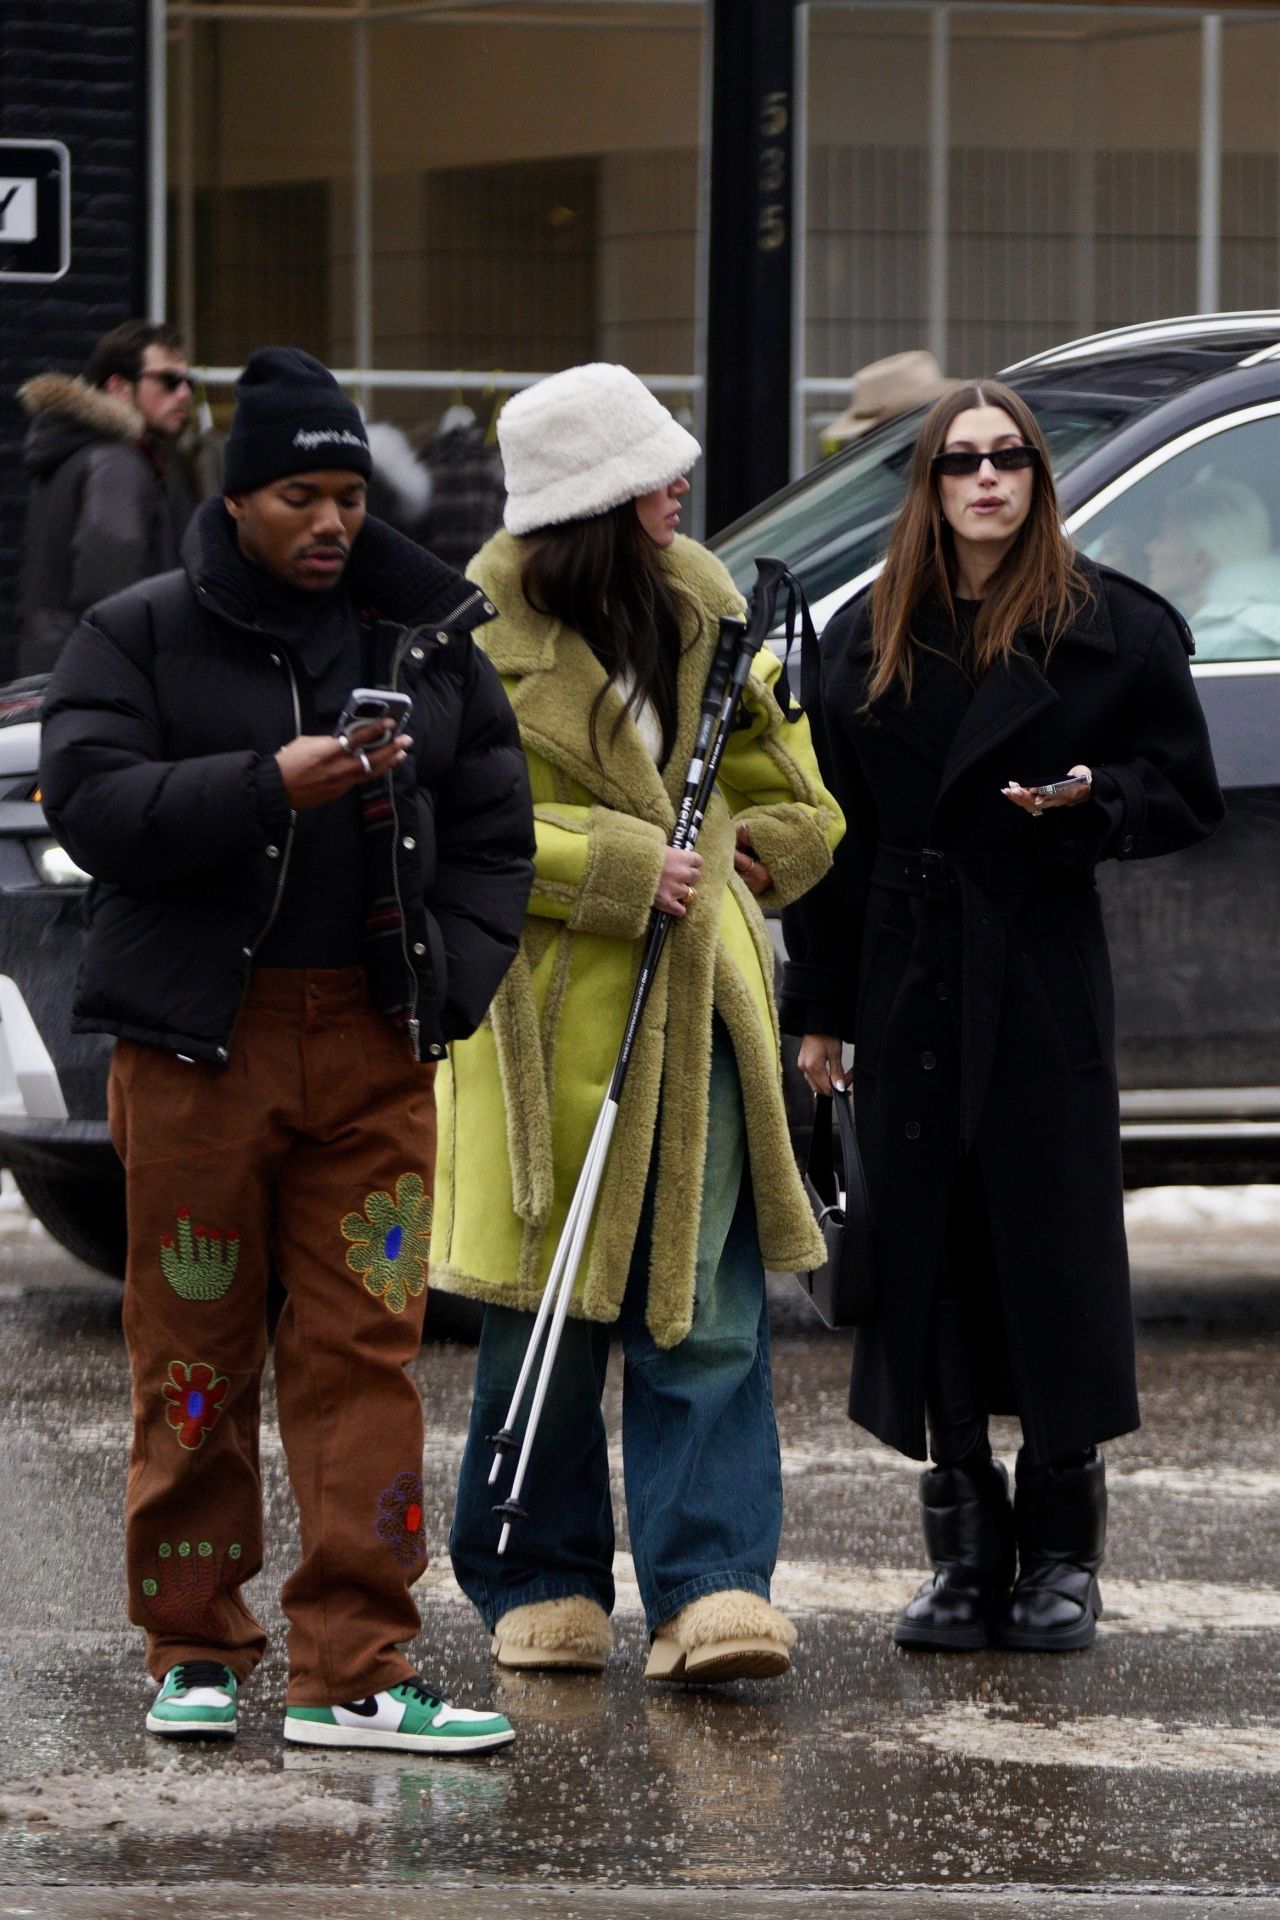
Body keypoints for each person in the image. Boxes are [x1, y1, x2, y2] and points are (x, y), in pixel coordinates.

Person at [39, 347, 535, 1754]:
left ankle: (359, 1664)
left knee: (362, 1355)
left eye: (348, 496)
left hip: (375, 1041)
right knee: (190, 1357)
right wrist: (269, 784)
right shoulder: (136, 633)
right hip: (199, 1049)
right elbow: (91, 803)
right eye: (300, 496)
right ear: (240, 495)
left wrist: (450, 986)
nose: (331, 522)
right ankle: (193, 1647)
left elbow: (496, 827)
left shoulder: (419, 638)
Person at [783, 379, 1224, 1653]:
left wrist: (1094, 806)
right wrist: (819, 1011)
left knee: (1051, 1247)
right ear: (925, 487)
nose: (986, 480)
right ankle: (962, 1545)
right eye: (959, 462)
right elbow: (834, 845)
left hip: (1034, 965)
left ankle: (1062, 1552)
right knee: (925, 1253)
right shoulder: (864, 638)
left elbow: (1180, 791)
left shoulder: (1111, 632)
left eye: (1010, 459)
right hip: (906, 969)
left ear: (1037, 480)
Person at [437, 363, 843, 1682]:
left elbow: (797, 794)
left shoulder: (709, 605)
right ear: (598, 499)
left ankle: (713, 1587)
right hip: (547, 1024)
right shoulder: (473, 633)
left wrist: (758, 850)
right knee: (544, 1309)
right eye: (658, 471)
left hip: (700, 1021)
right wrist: (617, 864)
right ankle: (537, 1579)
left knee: (707, 1305)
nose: (683, 487)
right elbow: (453, 819)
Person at [17, 320, 197, 674]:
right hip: (101, 678)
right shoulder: (119, 462)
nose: (185, 394)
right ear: (118, 387)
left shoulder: (73, 451)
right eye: (169, 381)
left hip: (54, 670)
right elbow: (112, 595)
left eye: (188, 382)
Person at [1143, 475, 1280, 659]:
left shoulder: (1228, 637)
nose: (1149, 548)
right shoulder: (1242, 625)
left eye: (1163, 537)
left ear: (1201, 560)